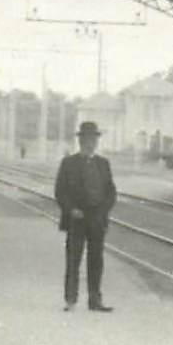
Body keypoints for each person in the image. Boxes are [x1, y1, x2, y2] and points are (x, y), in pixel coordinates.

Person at [54, 121, 116, 312]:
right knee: (73, 259)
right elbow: (60, 191)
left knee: (96, 260)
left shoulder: (103, 164)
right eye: (86, 139)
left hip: (97, 219)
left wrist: (103, 211)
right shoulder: (68, 163)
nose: (90, 143)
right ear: (80, 141)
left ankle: (94, 300)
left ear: (97, 142)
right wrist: (71, 209)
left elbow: (111, 192)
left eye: (93, 139)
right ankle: (70, 299)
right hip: (76, 219)